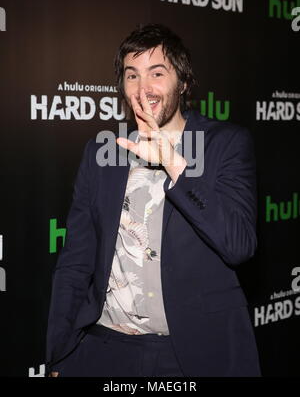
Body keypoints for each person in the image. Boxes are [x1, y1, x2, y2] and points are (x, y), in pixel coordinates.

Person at [46, 23, 261, 377]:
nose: (143, 88)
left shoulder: (225, 144)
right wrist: (59, 353)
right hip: (103, 348)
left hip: (190, 353)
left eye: (156, 73)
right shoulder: (103, 152)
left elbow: (238, 244)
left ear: (184, 81)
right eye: (132, 76)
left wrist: (176, 164)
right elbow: (75, 261)